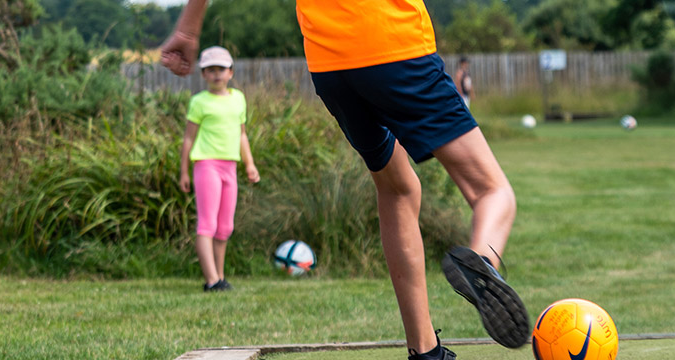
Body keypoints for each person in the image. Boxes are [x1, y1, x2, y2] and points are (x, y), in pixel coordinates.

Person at [160, 0, 530, 357]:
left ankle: (425, 351)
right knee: (491, 191)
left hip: (330, 66)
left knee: (398, 188)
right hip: (393, 43)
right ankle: (482, 264)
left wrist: (189, 29)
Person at [178, 46, 261, 292]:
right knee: (207, 225)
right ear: (203, 74)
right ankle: (211, 280)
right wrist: (184, 171)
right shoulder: (199, 102)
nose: (216, 74)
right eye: (210, 70)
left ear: (231, 72)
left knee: (225, 227)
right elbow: (188, 139)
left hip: (230, 166)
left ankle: (220, 277)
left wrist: (250, 163)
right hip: (206, 165)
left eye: (221, 69)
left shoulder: (238, 99)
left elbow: (242, 135)